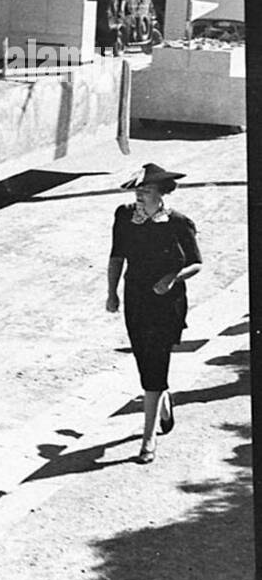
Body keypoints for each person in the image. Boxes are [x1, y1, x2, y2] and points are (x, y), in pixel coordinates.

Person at [106, 163, 203, 464]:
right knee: (144, 360)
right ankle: (162, 400)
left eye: (145, 191)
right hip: (136, 297)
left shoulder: (179, 222)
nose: (139, 196)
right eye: (138, 191)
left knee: (155, 361)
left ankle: (148, 440)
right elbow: (116, 256)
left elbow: (197, 263)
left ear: (161, 194)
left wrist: (173, 278)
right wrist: (112, 293)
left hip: (167, 302)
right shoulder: (124, 216)